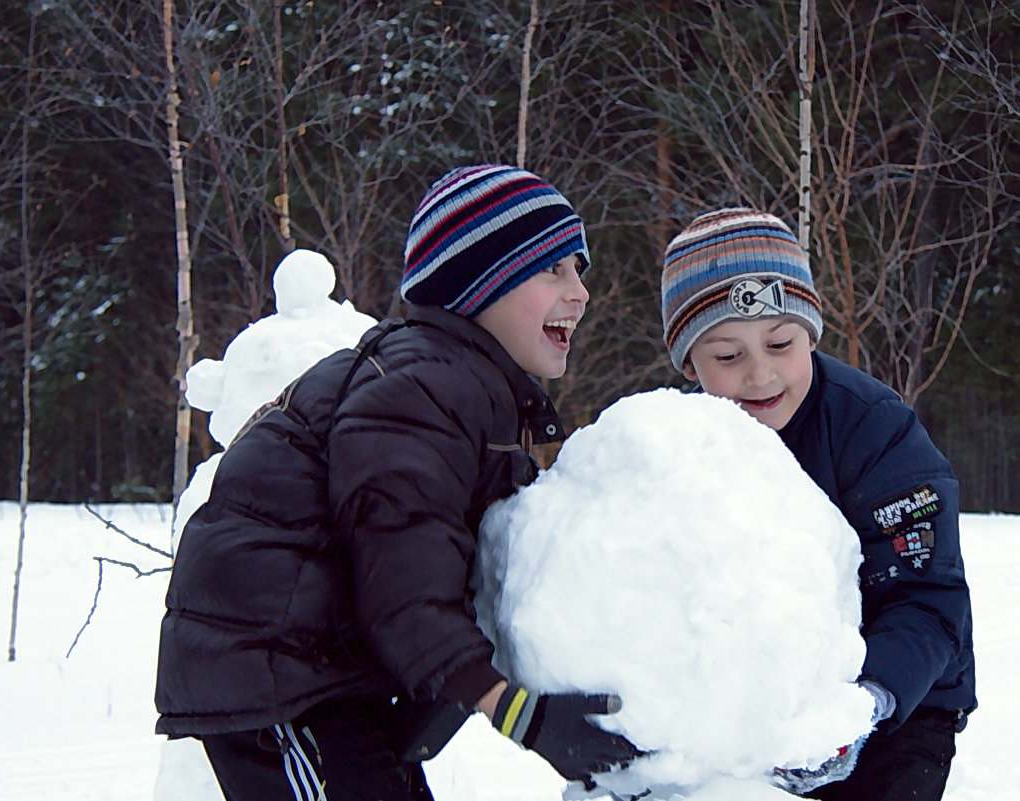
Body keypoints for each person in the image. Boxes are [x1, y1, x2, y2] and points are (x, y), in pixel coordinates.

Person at [155, 164, 642, 801]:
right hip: (278, 674)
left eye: (579, 271)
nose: (580, 293)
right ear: (479, 284)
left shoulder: (464, 385)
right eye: (553, 270)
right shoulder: (423, 387)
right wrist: (520, 713)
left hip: (328, 674)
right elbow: (404, 577)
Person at [659, 207, 976, 800]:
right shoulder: (679, 443)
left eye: (780, 343)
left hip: (901, 699)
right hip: (760, 703)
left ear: (810, 334)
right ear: (689, 363)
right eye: (727, 356)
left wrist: (863, 705)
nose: (760, 375)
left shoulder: (875, 432)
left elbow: (927, 598)